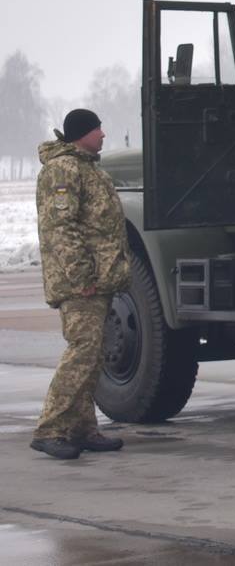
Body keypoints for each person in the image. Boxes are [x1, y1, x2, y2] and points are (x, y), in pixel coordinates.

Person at [31, 109, 131, 460]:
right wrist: (81, 276)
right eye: (97, 128)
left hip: (97, 281)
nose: (103, 134)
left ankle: (82, 428)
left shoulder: (87, 167)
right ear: (81, 134)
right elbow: (60, 228)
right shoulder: (64, 169)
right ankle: (50, 428)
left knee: (92, 357)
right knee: (81, 353)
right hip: (80, 284)